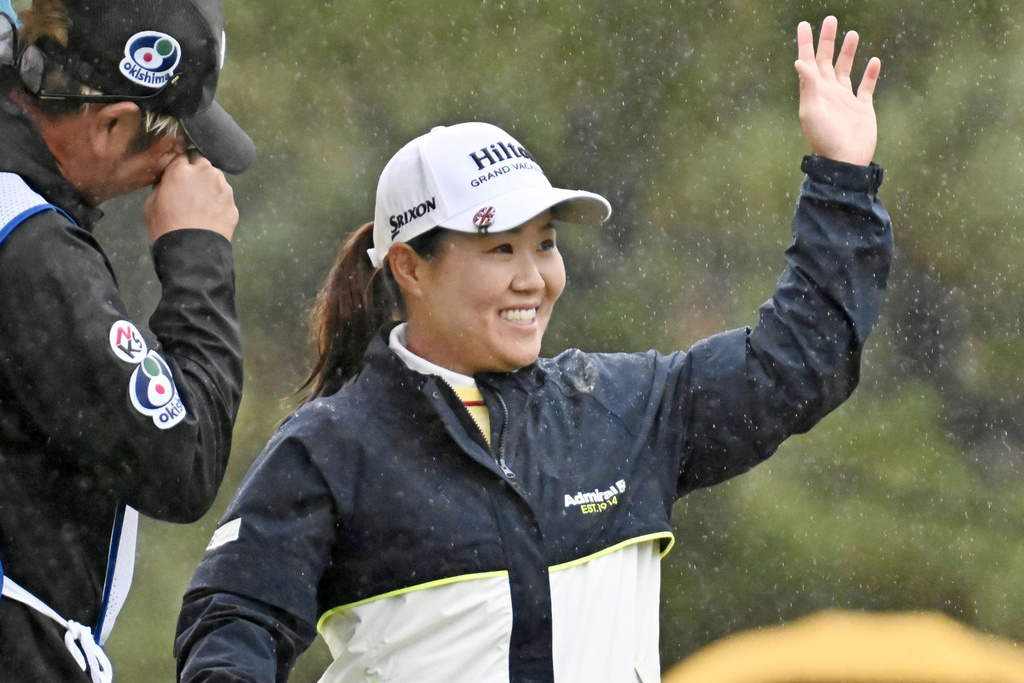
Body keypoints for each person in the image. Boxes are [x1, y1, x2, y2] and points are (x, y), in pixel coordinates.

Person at [175, 16, 891, 683]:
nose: (534, 277)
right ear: (409, 267)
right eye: (500, 249)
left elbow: (797, 363)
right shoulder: (332, 448)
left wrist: (841, 180)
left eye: (545, 244)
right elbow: (231, 626)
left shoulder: (624, 409)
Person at [0, 0, 254, 680]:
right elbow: (181, 457)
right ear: (111, 123)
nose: (187, 156)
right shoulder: (26, 246)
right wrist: (197, 253)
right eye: (177, 131)